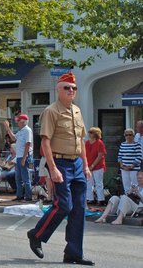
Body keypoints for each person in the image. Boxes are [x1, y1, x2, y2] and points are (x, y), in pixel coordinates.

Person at [26, 73, 94, 266]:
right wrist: (53, 168)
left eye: (74, 88)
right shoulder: (51, 111)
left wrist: (86, 165)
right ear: (58, 89)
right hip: (60, 162)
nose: (71, 90)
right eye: (67, 87)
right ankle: (36, 235)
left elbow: (80, 140)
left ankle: (73, 253)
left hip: (77, 164)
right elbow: (45, 142)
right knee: (64, 205)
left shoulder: (77, 111)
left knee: (79, 209)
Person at [4, 114, 33, 202]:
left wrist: (24, 158)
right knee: (18, 178)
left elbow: (28, 144)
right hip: (19, 156)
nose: (17, 123)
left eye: (19, 121)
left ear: (23, 122)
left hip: (24, 156)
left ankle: (28, 196)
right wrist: (8, 128)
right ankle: (19, 195)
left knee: (25, 178)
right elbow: (13, 138)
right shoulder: (21, 131)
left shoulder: (27, 130)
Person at [85, 127, 106, 205]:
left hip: (98, 166)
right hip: (89, 166)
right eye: (89, 132)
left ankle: (101, 199)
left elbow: (100, 155)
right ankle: (90, 199)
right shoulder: (87, 143)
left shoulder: (99, 142)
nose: (89, 133)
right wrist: (87, 166)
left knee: (98, 183)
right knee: (89, 183)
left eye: (91, 132)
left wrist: (92, 165)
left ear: (95, 134)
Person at [117, 128, 143, 193]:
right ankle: (127, 200)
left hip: (134, 169)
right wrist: (122, 165)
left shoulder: (137, 145)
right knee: (126, 186)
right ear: (124, 135)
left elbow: (139, 157)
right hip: (124, 169)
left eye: (130, 135)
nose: (128, 136)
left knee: (135, 185)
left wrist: (131, 166)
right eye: (126, 135)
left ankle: (137, 200)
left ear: (133, 136)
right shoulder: (123, 144)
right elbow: (120, 156)